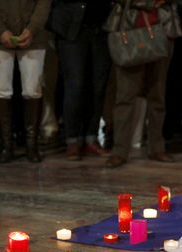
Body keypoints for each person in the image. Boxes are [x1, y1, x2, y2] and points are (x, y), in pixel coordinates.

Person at [0, 0, 52, 163]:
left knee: (33, 91)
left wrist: (32, 29)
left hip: (35, 36)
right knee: (1, 91)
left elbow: (44, 3)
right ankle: (6, 145)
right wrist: (1, 31)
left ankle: (32, 146)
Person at [106, 0, 178, 168]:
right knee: (125, 96)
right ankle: (119, 151)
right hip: (129, 32)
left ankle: (156, 148)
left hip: (162, 29)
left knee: (157, 94)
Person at [49, 0, 111, 160]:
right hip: (71, 28)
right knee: (75, 85)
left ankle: (91, 138)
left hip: (102, 28)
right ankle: (72, 141)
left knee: (98, 86)